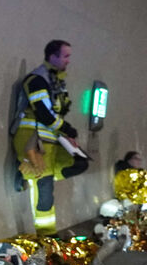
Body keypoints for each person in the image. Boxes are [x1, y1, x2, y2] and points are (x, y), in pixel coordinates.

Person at [12, 40, 89, 235]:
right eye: (65, 56)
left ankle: (25, 172)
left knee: (80, 162)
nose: (68, 61)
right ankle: (46, 237)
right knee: (44, 188)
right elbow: (44, 114)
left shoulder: (55, 82)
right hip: (33, 142)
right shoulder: (37, 80)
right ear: (52, 57)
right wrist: (68, 130)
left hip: (51, 142)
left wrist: (66, 136)